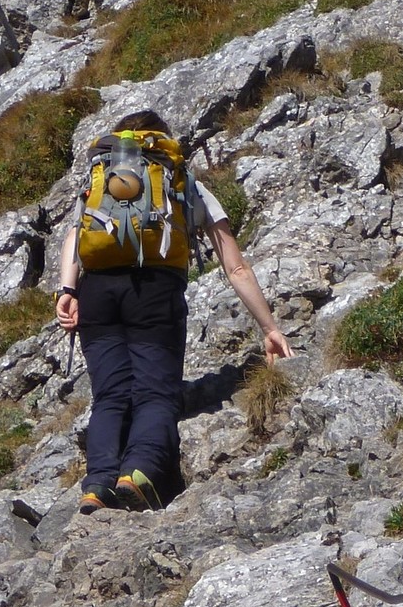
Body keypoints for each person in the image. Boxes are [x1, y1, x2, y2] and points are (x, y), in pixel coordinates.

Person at [54, 109, 291, 514]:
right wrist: (269, 327)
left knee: (109, 396)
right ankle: (139, 472)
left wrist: (67, 290)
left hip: (97, 292)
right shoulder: (181, 183)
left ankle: (96, 485)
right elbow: (234, 266)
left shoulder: (103, 181)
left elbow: (76, 233)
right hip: (154, 290)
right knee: (156, 393)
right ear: (163, 145)